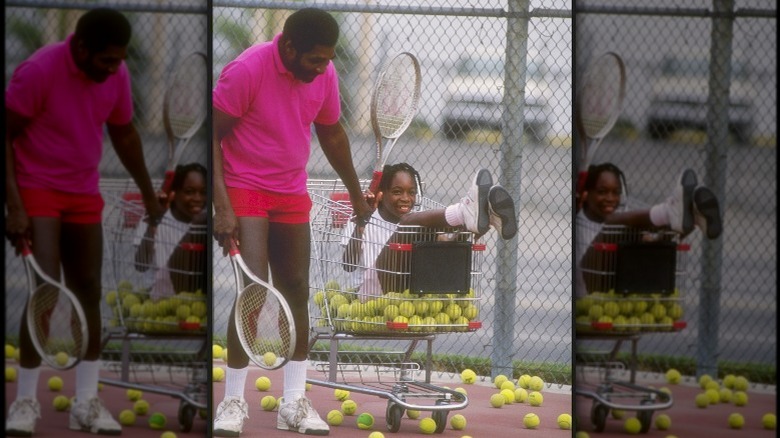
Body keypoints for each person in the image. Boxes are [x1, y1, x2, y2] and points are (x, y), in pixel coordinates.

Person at [211, 8, 372, 436]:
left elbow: (332, 132)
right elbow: (210, 133)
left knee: (296, 288)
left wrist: (356, 193)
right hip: (244, 185)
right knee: (254, 289)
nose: (323, 67)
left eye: (328, 59)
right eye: (315, 59)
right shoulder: (248, 69)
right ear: (288, 47)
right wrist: (222, 206)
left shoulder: (325, 72)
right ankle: (231, 401)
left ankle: (294, 403)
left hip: (289, 190)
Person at [4, 8, 165, 436]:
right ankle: (24, 402)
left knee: (89, 289)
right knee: (45, 289)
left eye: (120, 60)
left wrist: (149, 194)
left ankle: (86, 403)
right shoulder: (39, 71)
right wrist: (14, 205)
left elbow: (125, 133)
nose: (115, 68)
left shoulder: (116, 73)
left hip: (81, 191)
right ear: (80, 47)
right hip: (36, 186)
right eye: (106, 60)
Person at [341, 164, 518, 297]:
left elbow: (443, 244)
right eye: (397, 192)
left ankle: (487, 217)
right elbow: (348, 265)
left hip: (412, 290)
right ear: (382, 194)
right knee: (409, 223)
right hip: (371, 294)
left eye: (411, 192)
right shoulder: (362, 218)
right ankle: (463, 211)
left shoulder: (419, 221)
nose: (405, 199)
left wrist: (450, 238)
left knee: (444, 241)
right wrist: (361, 224)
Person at [575, 162, 722, 297]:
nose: (610, 198)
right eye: (602, 192)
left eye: (616, 192)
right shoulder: (578, 223)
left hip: (620, 294)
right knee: (613, 223)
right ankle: (667, 213)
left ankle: (690, 217)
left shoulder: (624, 218)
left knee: (642, 239)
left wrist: (660, 238)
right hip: (587, 291)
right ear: (587, 194)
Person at [133, 163, 208, 299]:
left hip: (195, 297)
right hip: (159, 298)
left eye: (203, 193)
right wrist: (153, 223)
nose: (198, 199)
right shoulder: (152, 218)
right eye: (189, 192)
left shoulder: (206, 222)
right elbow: (140, 265)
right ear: (175, 193)